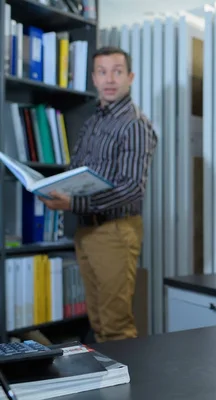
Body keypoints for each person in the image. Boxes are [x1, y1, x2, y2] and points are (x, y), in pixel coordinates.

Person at [40, 46, 158, 343]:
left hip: (115, 232)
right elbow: (77, 172)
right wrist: (53, 191)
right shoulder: (93, 122)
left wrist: (74, 201)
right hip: (87, 230)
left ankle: (128, 389)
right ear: (93, 77)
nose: (110, 79)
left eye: (117, 71)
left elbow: (132, 187)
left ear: (130, 77)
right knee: (99, 324)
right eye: (102, 72)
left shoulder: (134, 124)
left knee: (116, 327)